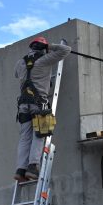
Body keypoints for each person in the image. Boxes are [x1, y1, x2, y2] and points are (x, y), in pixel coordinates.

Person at [13, 36, 72, 182]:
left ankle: (20, 170)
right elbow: (66, 49)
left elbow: (16, 74)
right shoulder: (43, 60)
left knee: (24, 138)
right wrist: (49, 47)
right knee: (39, 135)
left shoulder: (20, 62)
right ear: (42, 48)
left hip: (23, 105)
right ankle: (33, 167)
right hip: (38, 104)